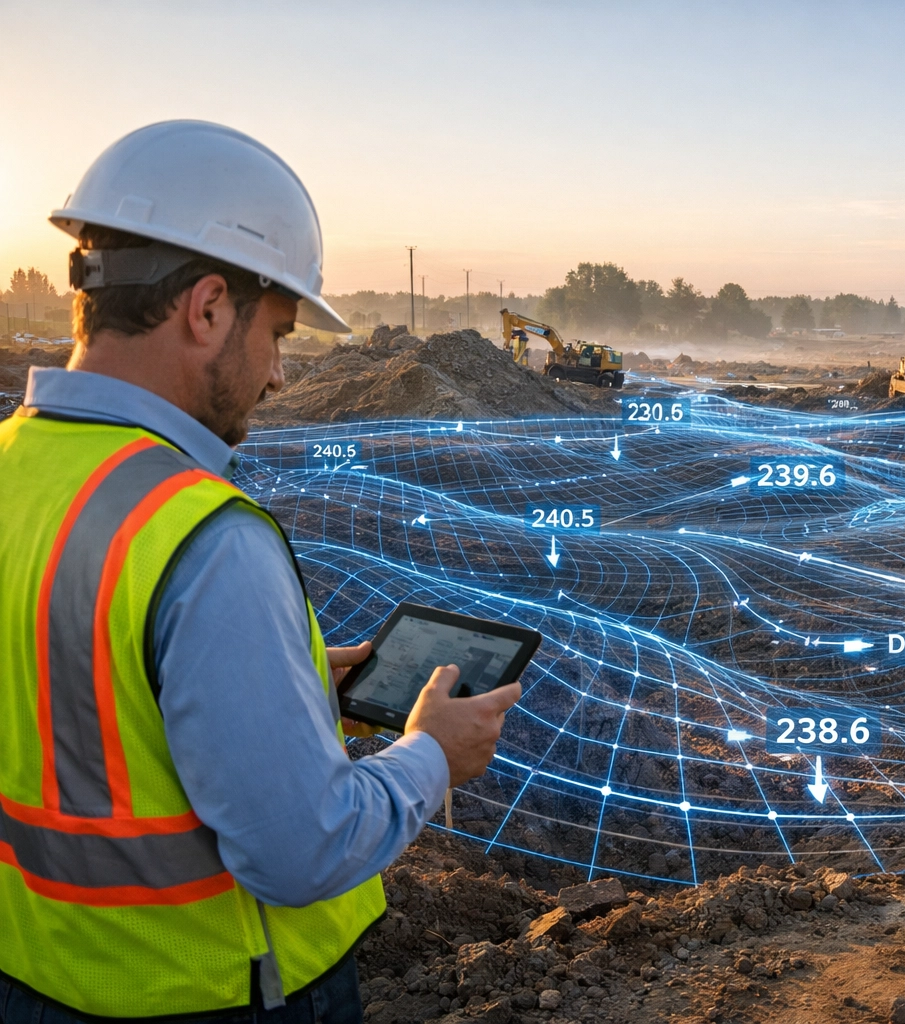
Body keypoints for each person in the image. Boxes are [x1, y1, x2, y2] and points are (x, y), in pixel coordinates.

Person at [0, 121, 521, 1023]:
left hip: (41, 974)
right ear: (206, 309)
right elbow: (299, 852)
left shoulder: (15, 466)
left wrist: (266, 692)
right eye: (278, 333)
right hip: (209, 989)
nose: (280, 375)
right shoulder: (202, 536)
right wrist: (432, 754)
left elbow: (64, 693)